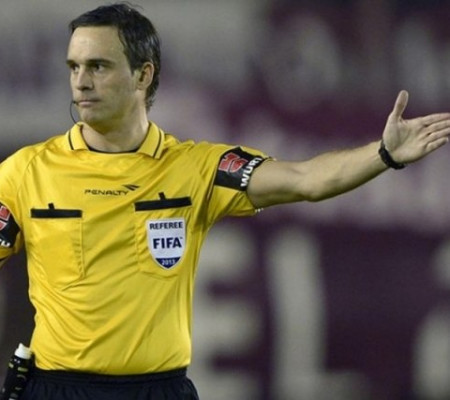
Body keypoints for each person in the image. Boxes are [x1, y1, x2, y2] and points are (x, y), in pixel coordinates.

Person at [0, 2, 449, 400]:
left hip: (159, 389)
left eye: (98, 66)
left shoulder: (195, 169)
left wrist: (383, 153)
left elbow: (305, 179)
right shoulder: (26, 172)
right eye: (74, 67)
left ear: (143, 75)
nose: (81, 82)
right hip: (57, 388)